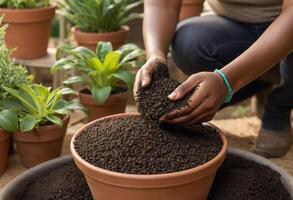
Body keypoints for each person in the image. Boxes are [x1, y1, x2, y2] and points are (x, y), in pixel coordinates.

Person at [134, 0, 293, 158]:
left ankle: (279, 106)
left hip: (288, 23)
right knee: (188, 42)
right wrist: (155, 56)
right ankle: (260, 80)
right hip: (231, 28)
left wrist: (227, 80)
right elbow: (162, 5)